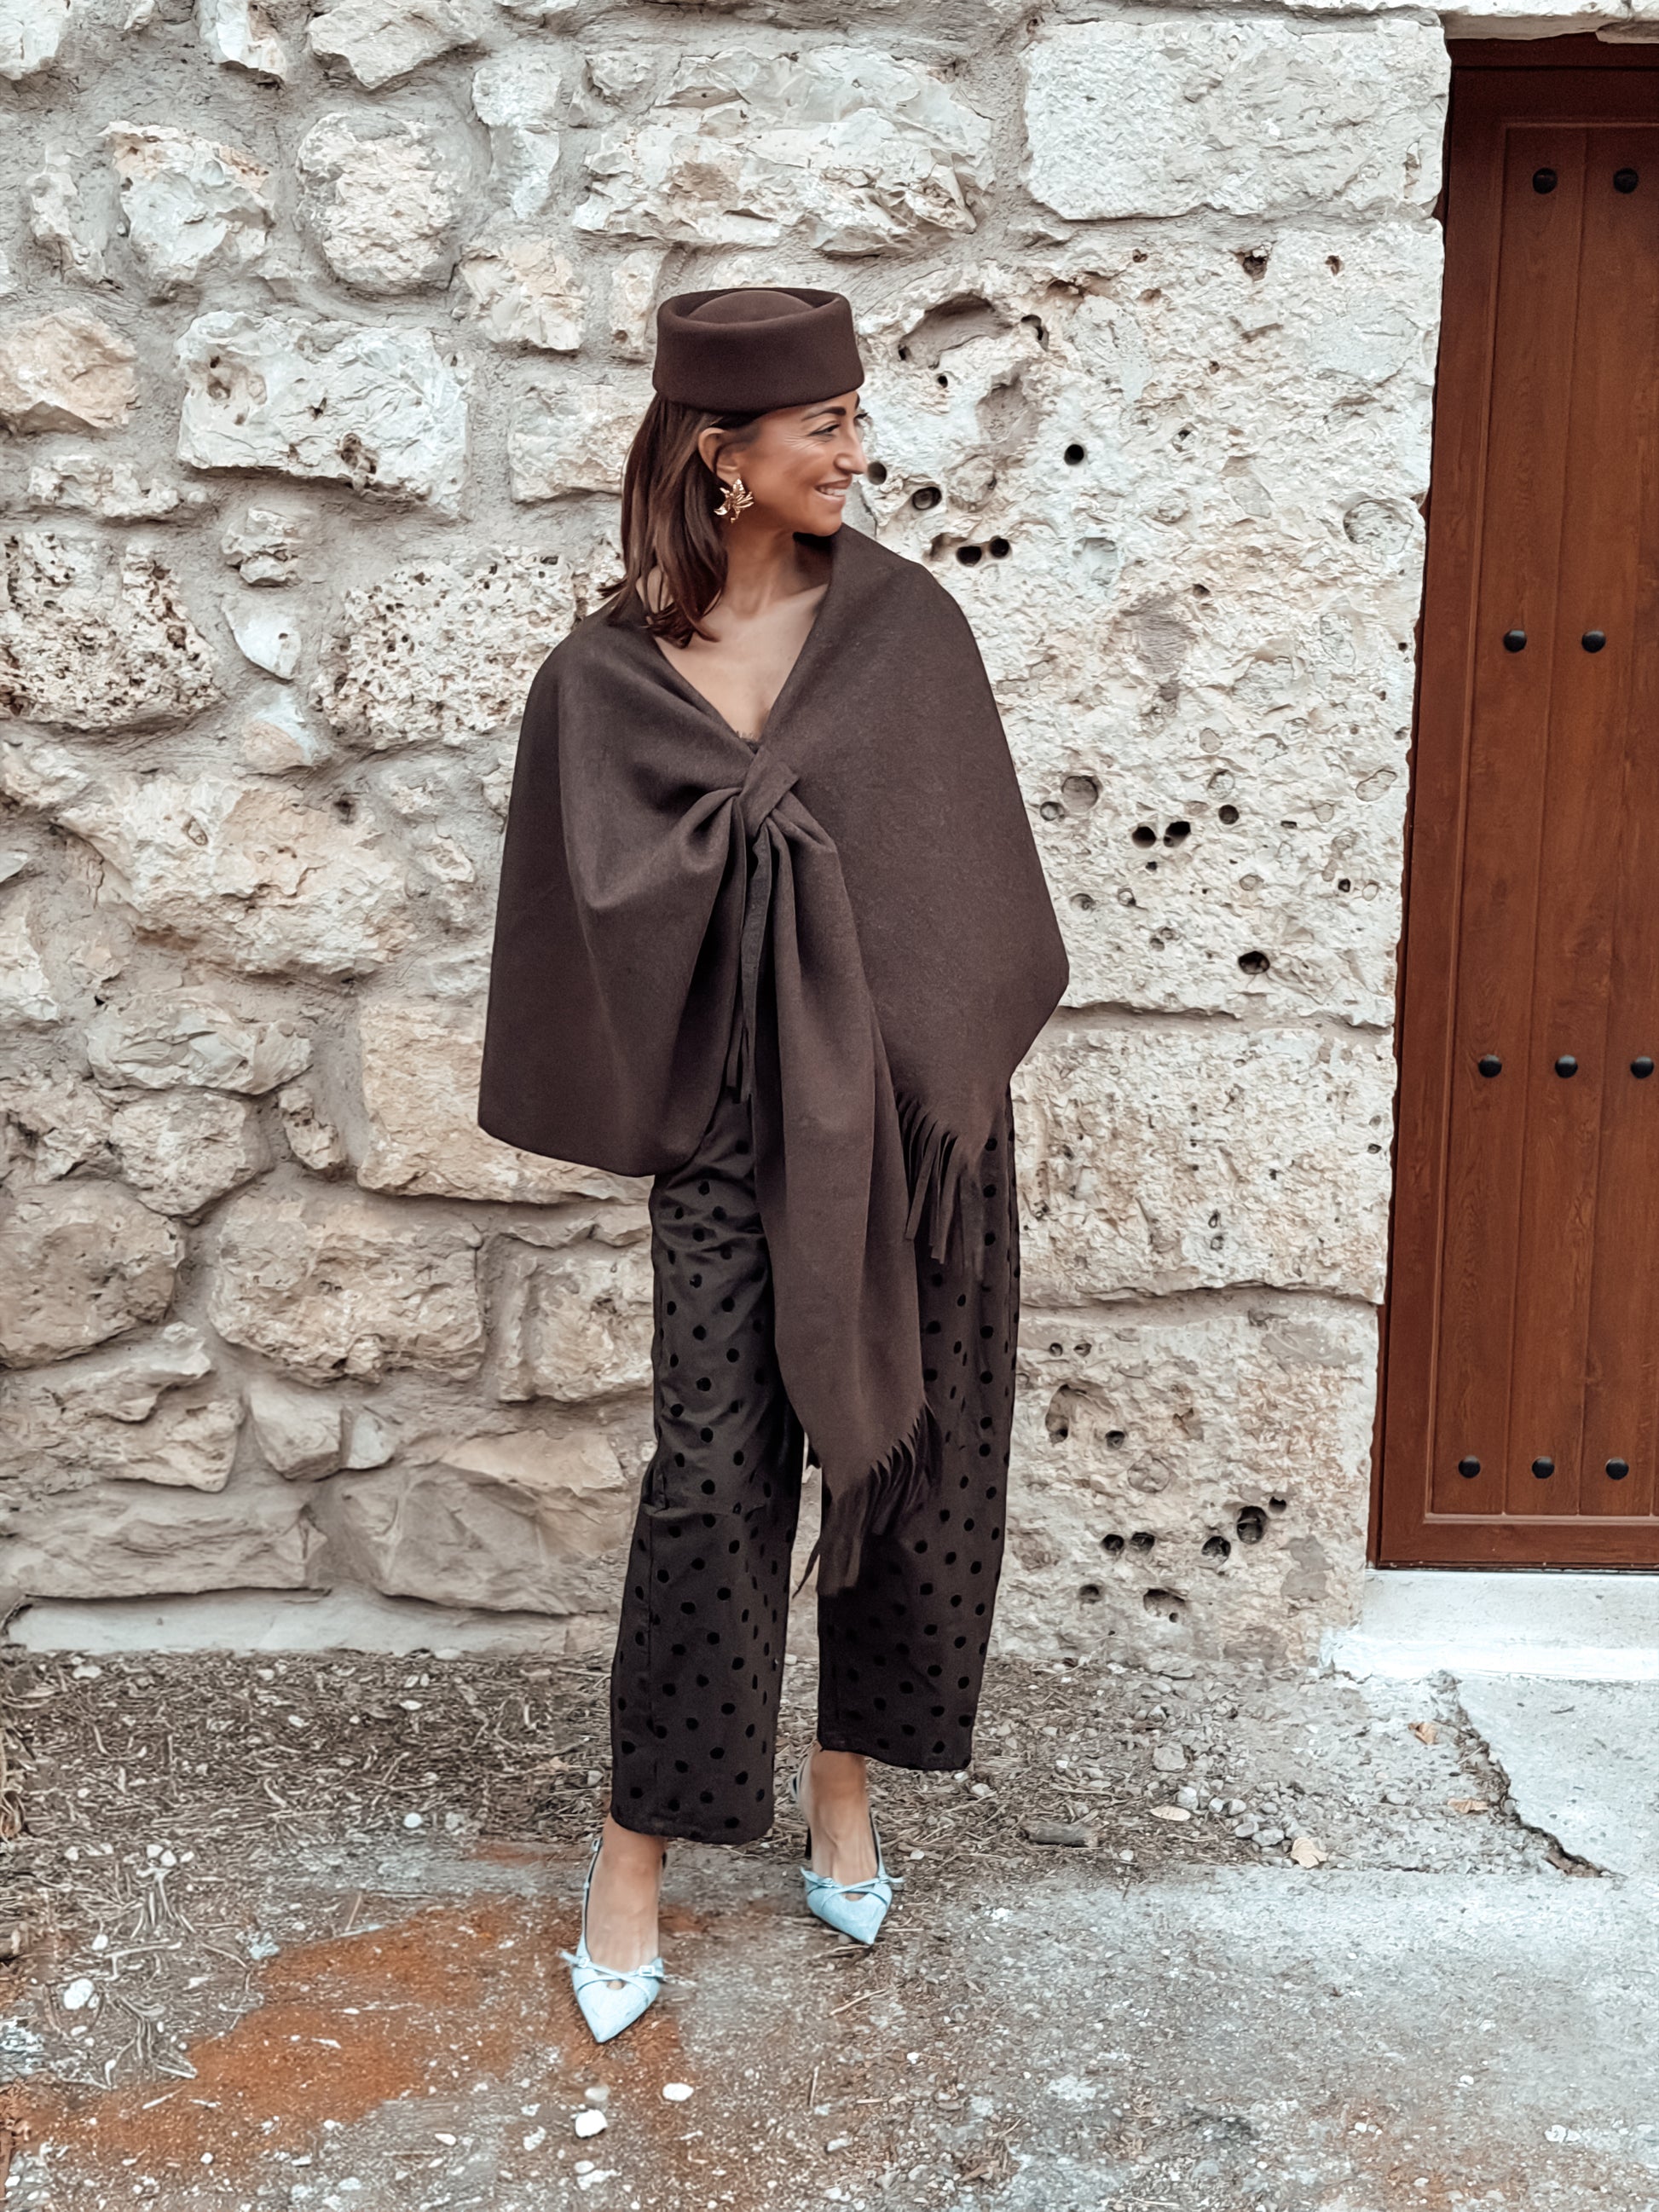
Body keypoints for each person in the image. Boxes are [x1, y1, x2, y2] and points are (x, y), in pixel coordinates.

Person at [477, 285, 1068, 2043]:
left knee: (914, 1453)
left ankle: (843, 1786)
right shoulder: (603, 682)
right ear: (720, 455)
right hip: (735, 1135)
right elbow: (579, 918)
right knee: (714, 1478)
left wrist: (930, 1066)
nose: (856, 453)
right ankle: (633, 1859)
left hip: (914, 1126)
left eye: (855, 417)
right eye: (825, 426)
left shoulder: (906, 630)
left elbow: (967, 878)